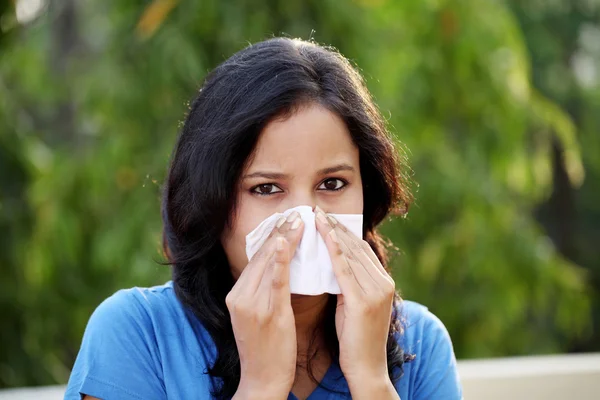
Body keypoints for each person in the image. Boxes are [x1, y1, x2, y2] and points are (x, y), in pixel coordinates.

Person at [65, 37, 462, 400]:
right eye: (267, 188)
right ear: (212, 202)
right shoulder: (137, 334)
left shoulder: (420, 343)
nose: (307, 217)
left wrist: (371, 379)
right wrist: (261, 387)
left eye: (333, 183)